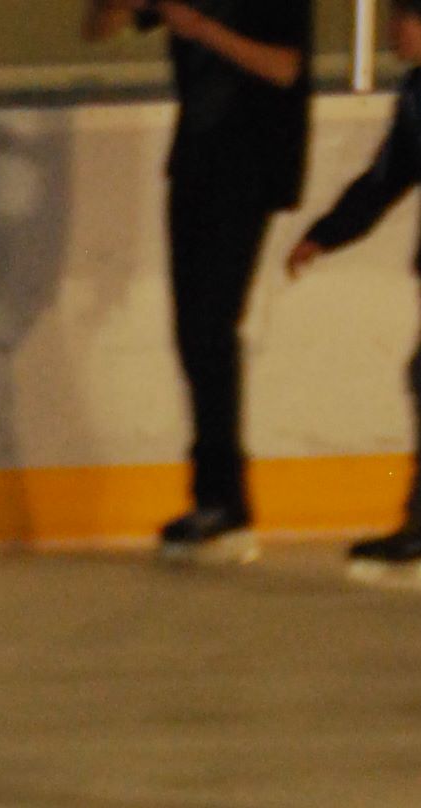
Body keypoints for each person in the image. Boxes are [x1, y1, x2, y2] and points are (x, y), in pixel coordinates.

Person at [88, 0, 315, 558]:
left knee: (211, 327)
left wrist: (205, 30)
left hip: (251, 163)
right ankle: (213, 499)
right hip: (194, 159)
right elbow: (99, 29)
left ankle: (227, 505)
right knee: (193, 332)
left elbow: (286, 67)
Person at [287, 4, 421, 582]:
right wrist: (325, 235)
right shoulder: (419, 94)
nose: (389, 33)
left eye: (401, 20)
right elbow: (386, 178)